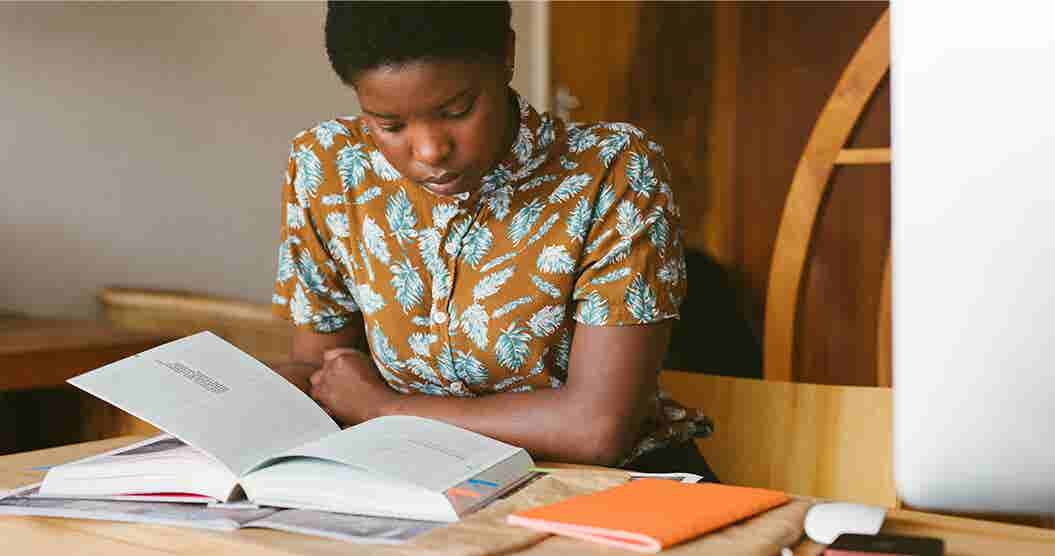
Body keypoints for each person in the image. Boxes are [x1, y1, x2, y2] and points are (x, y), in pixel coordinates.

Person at [271, 1, 716, 479]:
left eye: (457, 109)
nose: (429, 151)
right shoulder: (330, 167)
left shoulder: (611, 170)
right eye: (390, 125)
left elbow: (597, 429)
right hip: (417, 483)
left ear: (506, 54)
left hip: (607, 489)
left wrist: (388, 410)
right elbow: (329, 378)